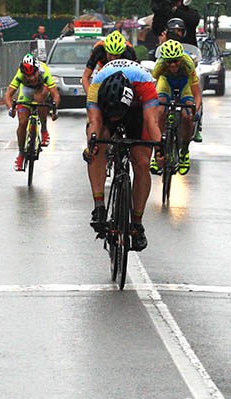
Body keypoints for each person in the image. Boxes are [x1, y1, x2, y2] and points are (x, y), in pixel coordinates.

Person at [86, 60, 161, 252]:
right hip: (108, 103)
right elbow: (94, 122)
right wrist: (92, 143)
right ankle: (99, 207)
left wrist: (161, 150)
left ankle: (137, 223)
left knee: (142, 162)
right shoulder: (96, 85)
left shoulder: (144, 84)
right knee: (97, 146)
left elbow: (151, 122)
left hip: (137, 111)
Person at [150, 39, 201, 176]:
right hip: (166, 82)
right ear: (164, 60)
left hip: (185, 84)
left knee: (186, 115)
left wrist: (194, 111)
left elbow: (197, 94)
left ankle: (184, 151)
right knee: (160, 111)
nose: (172, 65)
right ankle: (158, 152)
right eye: (169, 62)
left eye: (176, 61)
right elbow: (150, 88)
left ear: (181, 59)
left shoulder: (187, 63)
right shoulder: (160, 64)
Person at [3, 54, 60, 171]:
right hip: (26, 91)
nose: (31, 78)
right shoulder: (20, 74)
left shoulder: (44, 71)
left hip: (41, 89)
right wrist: (11, 108)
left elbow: (56, 95)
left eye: (33, 74)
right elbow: (8, 94)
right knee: (22, 122)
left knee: (39, 99)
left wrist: (54, 110)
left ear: (37, 70)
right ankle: (20, 154)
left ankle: (44, 129)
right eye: (27, 76)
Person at [81, 29, 137, 96]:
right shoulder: (99, 50)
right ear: (106, 50)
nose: (113, 58)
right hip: (103, 73)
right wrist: (91, 97)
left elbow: (136, 77)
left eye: (116, 55)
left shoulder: (129, 52)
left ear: (122, 52)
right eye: (110, 54)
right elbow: (85, 77)